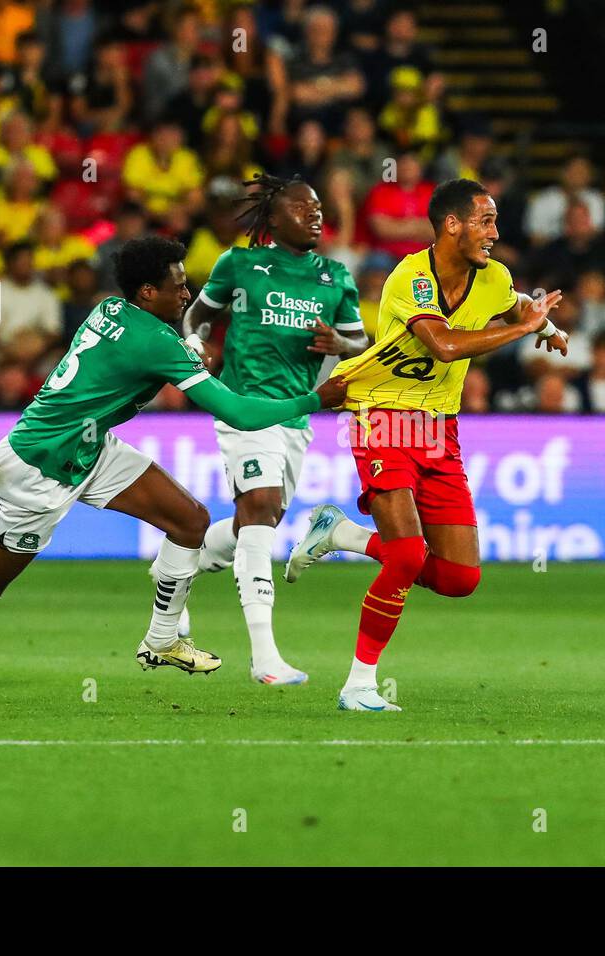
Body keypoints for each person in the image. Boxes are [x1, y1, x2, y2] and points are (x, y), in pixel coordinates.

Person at [0, 237, 349, 708]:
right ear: (148, 291)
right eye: (178, 285)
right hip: (38, 468)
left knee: (190, 520)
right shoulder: (157, 341)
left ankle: (163, 638)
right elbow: (237, 411)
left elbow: (134, 369)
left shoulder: (112, 309)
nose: (187, 292)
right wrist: (313, 399)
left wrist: (185, 355)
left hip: (89, 448)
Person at [282, 178, 568, 712]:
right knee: (409, 554)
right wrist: (522, 328)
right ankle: (359, 685)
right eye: (485, 221)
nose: (495, 233)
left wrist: (542, 324)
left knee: (460, 578)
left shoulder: (494, 277)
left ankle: (340, 532)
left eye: (495, 221)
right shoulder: (410, 277)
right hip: (382, 415)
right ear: (452, 225)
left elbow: (512, 304)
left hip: (440, 427)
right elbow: (443, 345)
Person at [179, 174, 369, 684]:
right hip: (244, 406)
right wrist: (196, 350)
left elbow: (360, 345)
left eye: (318, 207)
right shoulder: (239, 265)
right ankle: (265, 657)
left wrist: (339, 345)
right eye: (302, 206)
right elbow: (196, 316)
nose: (315, 214)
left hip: (296, 415)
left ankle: (178, 565)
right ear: (273, 217)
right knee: (259, 507)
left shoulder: (335, 277)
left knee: (257, 521)